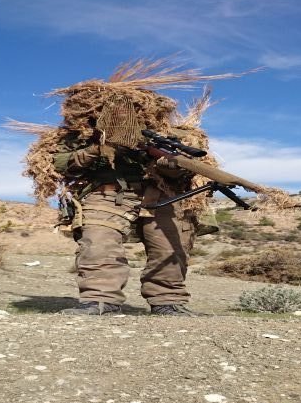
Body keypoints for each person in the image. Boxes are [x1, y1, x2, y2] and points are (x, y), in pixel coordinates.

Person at [53, 121, 202, 317]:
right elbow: (60, 163)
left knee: (170, 247)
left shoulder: (169, 131)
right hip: (107, 193)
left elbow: (191, 169)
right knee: (98, 242)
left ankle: (168, 302)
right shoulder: (83, 132)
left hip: (163, 193)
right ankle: (100, 300)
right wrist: (98, 149)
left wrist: (168, 165)